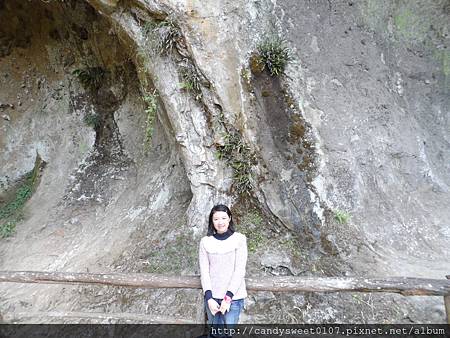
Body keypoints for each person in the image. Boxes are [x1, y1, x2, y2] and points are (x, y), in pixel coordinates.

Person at [199, 204, 248, 335]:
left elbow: (239, 271)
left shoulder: (239, 239)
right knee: (214, 334)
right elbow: (204, 272)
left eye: (223, 218)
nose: (220, 222)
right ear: (212, 221)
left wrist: (228, 298)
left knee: (228, 334)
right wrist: (209, 298)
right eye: (216, 219)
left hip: (233, 298)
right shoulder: (205, 242)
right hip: (212, 299)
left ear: (229, 218)